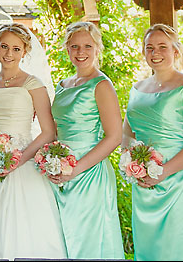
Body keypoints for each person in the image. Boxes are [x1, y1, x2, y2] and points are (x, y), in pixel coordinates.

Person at [0, 23, 67, 259]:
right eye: (4, 47)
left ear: (24, 51)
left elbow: (48, 132)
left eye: (16, 49)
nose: (9, 53)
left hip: (23, 163)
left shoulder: (33, 84)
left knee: (24, 227)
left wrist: (17, 160)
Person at [123, 24, 183, 261]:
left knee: (182, 249)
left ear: (175, 51)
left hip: (180, 182)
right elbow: (127, 134)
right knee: (151, 251)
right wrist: (133, 165)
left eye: (162, 47)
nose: (155, 53)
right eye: (149, 47)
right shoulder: (137, 89)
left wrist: (163, 171)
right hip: (144, 184)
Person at [48, 21, 124, 259]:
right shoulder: (62, 85)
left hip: (89, 174)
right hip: (61, 172)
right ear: (67, 49)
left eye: (87, 46)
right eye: (75, 46)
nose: (81, 52)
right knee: (64, 241)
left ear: (97, 48)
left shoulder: (101, 85)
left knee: (88, 243)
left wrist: (76, 168)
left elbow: (115, 137)